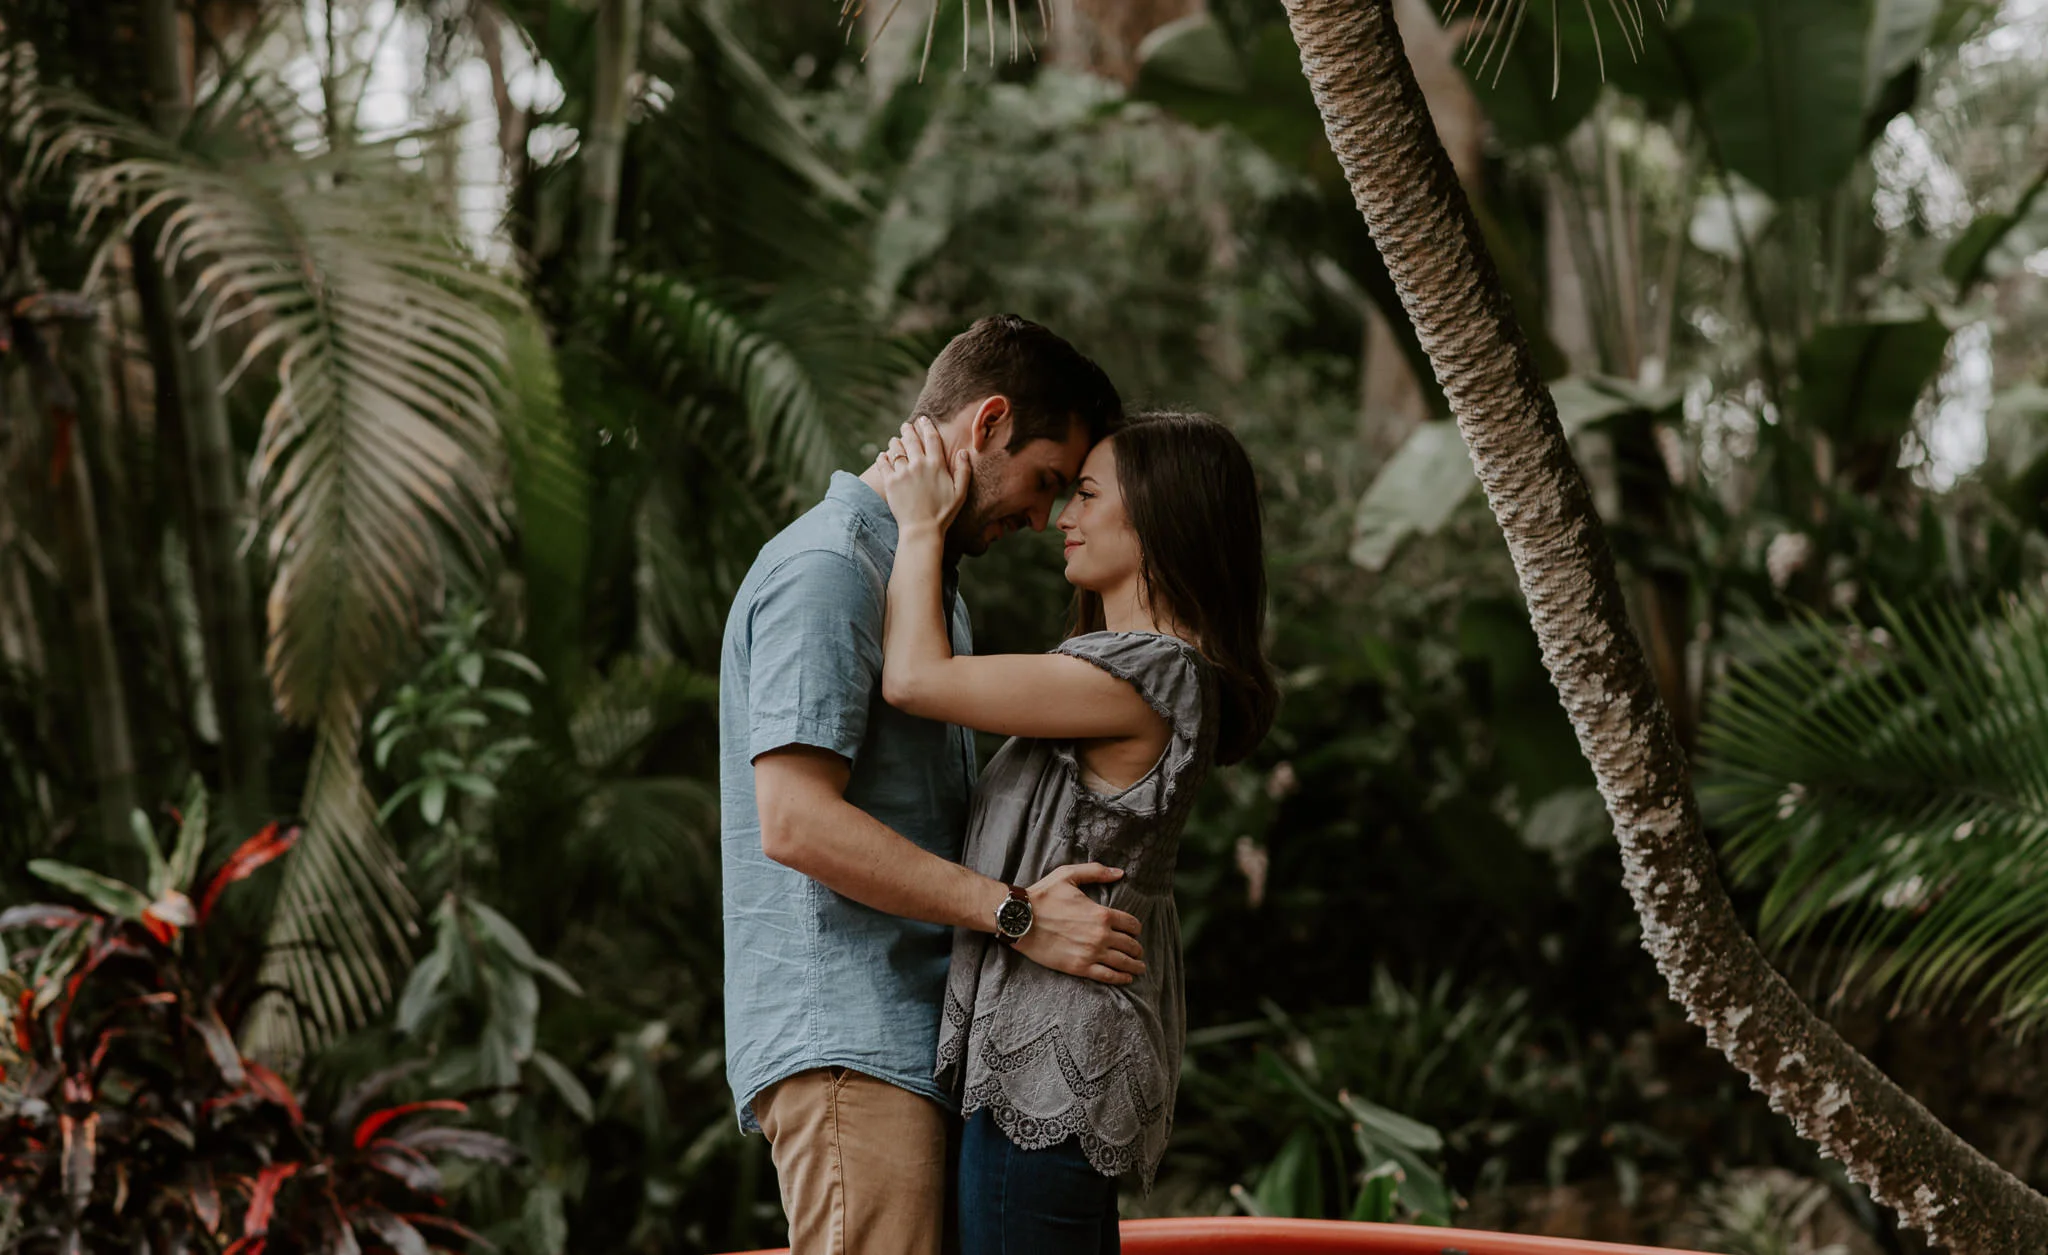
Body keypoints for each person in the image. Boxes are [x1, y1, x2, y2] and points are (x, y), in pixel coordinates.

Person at [719, 315, 1140, 1255]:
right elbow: (793, 821)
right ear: (987, 422)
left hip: (916, 1039)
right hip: (849, 1042)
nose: (1041, 519)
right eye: (1043, 481)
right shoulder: (830, 568)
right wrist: (1019, 913)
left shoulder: (921, 580)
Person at [874, 409, 1278, 1254]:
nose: (1064, 517)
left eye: (1088, 494)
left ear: (1163, 517)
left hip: (1052, 1066)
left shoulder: (1151, 672)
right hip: (1050, 1061)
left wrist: (918, 525)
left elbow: (914, 677)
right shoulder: (1137, 666)